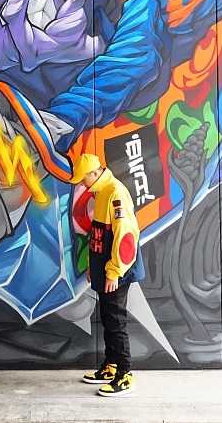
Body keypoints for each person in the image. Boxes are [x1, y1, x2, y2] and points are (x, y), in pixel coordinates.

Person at [73, 153, 144, 397]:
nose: (82, 183)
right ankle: (111, 366)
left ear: (94, 173)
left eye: (83, 178)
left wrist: (113, 272)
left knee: (115, 321)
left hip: (117, 271)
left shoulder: (115, 193)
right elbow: (99, 234)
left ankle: (125, 375)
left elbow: (126, 238)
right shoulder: (101, 192)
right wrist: (92, 265)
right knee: (108, 317)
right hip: (106, 269)